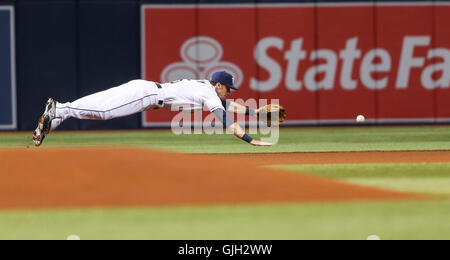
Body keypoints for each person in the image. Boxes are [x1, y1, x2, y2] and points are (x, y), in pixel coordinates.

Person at [32, 71, 273, 147]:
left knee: (103, 103)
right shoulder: (208, 92)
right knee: (104, 111)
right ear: (219, 85)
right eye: (227, 88)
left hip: (147, 91)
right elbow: (225, 118)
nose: (229, 92)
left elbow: (227, 105)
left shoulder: (207, 89)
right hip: (147, 94)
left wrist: (257, 114)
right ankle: (60, 108)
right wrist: (250, 140)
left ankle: (57, 116)